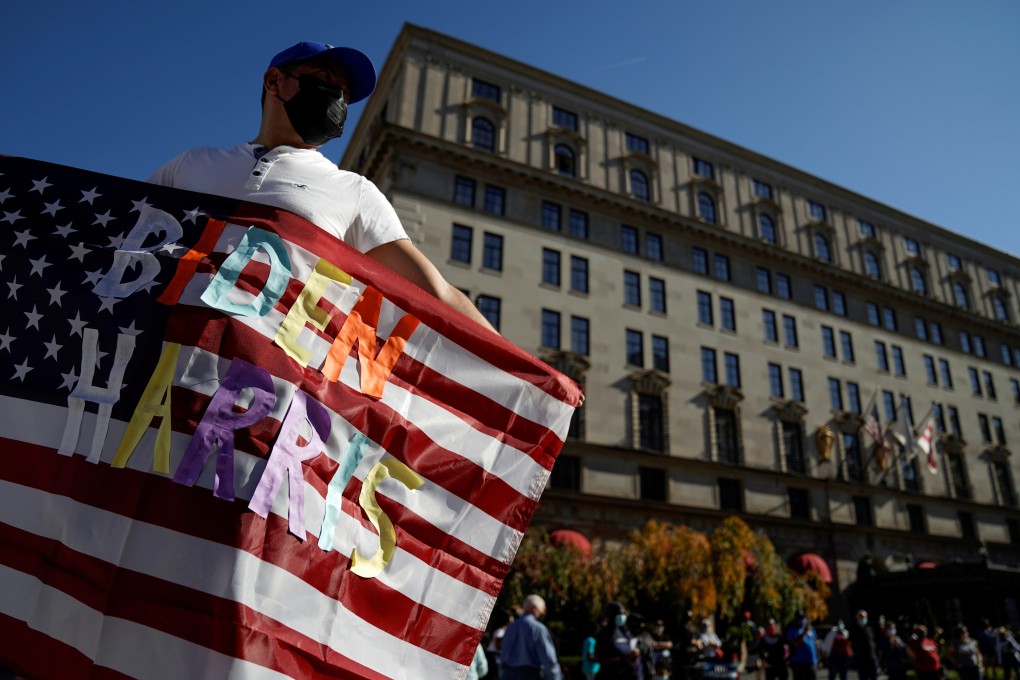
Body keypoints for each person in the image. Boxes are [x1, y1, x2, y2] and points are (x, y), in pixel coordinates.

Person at [148, 40, 497, 333]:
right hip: (150, 368)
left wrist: (533, 376)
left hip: (249, 393)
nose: (336, 101)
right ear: (274, 81)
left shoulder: (354, 191)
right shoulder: (190, 165)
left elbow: (437, 293)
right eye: (324, 82)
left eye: (344, 94)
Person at [499, 594, 562, 680]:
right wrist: (555, 677)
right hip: (531, 674)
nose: (543, 613)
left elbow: (503, 655)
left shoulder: (511, 627)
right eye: (542, 609)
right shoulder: (539, 629)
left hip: (509, 674)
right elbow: (548, 659)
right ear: (534, 609)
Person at [595, 602, 639, 679]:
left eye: (624, 614)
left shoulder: (624, 631)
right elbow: (598, 659)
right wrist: (622, 659)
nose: (622, 616)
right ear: (611, 615)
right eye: (619, 614)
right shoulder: (603, 634)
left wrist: (634, 655)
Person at [785, 611, 818, 680]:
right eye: (799, 618)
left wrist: (818, 658)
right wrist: (804, 632)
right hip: (799, 663)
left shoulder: (810, 628)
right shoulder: (792, 629)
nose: (801, 620)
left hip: (812, 662)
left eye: (802, 618)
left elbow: (814, 643)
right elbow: (795, 644)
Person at [848, 610, 879, 680]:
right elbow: (849, 644)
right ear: (857, 618)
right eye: (861, 616)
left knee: (874, 676)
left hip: (871, 657)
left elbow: (873, 642)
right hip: (861, 659)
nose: (863, 618)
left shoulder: (869, 628)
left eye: (865, 617)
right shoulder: (854, 630)